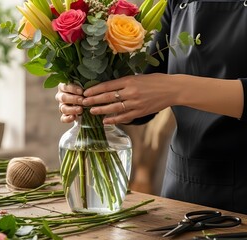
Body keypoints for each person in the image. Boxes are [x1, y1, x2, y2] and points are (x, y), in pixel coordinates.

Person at [55, 0, 247, 214]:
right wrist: (92, 94)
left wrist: (176, 89)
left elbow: (163, 87)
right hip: (183, 190)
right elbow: (146, 82)